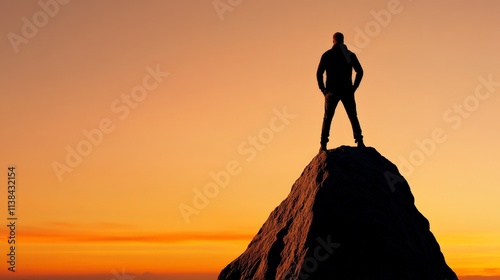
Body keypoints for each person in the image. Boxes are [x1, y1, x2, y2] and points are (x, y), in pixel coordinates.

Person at [317, 32, 365, 152]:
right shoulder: (349, 55)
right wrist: (354, 87)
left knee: (327, 118)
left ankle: (323, 145)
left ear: (333, 41)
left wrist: (323, 90)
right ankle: (359, 141)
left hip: (332, 91)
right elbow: (360, 71)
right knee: (353, 116)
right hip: (347, 90)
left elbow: (319, 73)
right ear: (343, 40)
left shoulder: (327, 55)